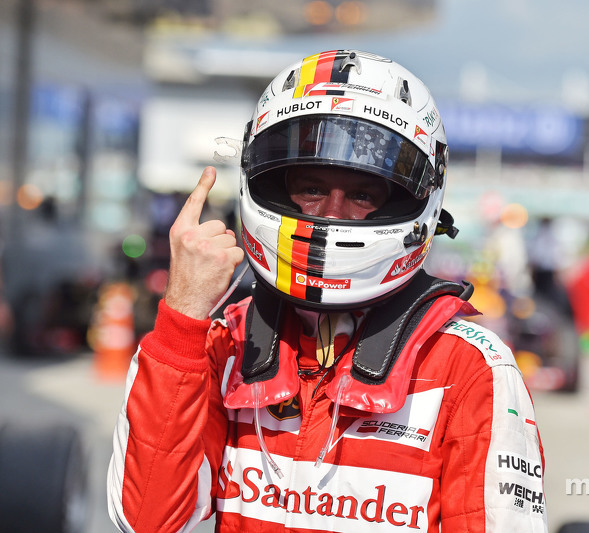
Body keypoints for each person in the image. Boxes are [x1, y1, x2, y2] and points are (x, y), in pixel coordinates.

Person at [107, 50, 548, 532]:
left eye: (363, 195)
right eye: (311, 187)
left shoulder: (469, 368)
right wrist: (183, 316)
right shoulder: (221, 344)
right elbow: (147, 522)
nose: (332, 214)